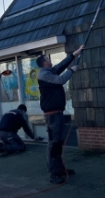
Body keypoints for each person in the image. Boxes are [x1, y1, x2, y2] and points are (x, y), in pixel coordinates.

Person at [36, 45, 85, 184]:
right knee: (53, 144)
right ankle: (53, 174)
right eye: (48, 58)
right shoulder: (44, 74)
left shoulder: (49, 71)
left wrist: (75, 52)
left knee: (59, 143)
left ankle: (60, 169)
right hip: (52, 115)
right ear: (45, 62)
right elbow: (61, 80)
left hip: (57, 113)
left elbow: (60, 66)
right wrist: (72, 70)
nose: (50, 60)